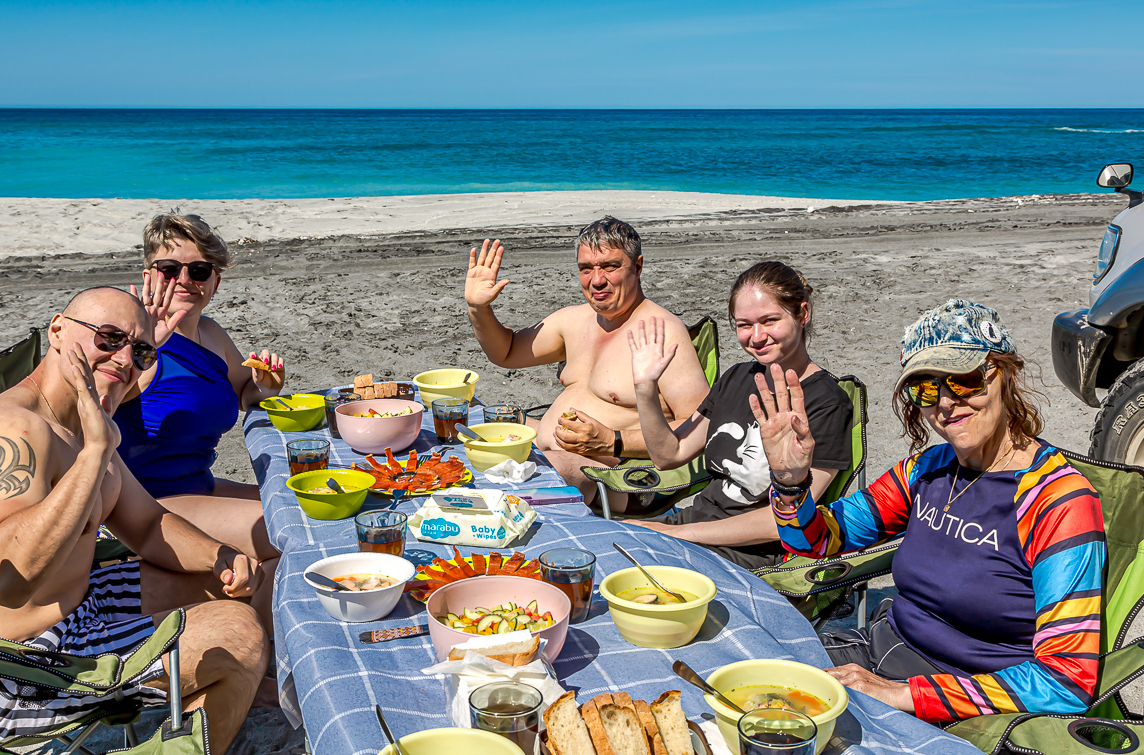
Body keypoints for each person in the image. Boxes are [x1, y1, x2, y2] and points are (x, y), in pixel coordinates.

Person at [0, 287, 269, 755]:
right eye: (109, 338)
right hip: (14, 667)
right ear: (58, 329)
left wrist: (222, 558)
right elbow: (6, 581)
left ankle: (206, 706)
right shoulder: (15, 433)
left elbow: (147, 525)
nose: (124, 359)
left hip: (82, 608)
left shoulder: (80, 419)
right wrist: (95, 454)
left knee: (238, 585)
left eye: (140, 350)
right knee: (239, 635)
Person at [756, 299, 1106, 722]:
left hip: (965, 703)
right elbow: (815, 542)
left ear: (1004, 373)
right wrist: (791, 482)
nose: (945, 403)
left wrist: (905, 695)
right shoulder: (927, 470)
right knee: (741, 686)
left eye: (964, 380)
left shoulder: (1057, 501)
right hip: (877, 651)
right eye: (924, 389)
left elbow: (1066, 681)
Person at [464, 217, 710, 506]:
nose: (596, 280)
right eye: (586, 269)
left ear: (638, 267)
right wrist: (479, 308)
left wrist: (612, 440)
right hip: (547, 452)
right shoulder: (574, 320)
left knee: (509, 483)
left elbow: (702, 427)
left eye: (610, 266)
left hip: (618, 478)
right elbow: (505, 352)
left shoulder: (661, 332)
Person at [623, 262, 853, 570]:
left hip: (753, 554)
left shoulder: (827, 403)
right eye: (744, 325)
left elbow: (786, 521)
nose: (756, 337)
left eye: (770, 320)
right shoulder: (737, 378)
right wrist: (645, 388)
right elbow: (669, 454)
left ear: (802, 314)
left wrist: (678, 534)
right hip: (696, 525)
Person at [114, 213, 282, 628]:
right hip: (145, 501)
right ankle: (266, 666)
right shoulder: (130, 343)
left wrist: (266, 385)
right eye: (170, 269)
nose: (185, 279)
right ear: (150, 276)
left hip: (197, 484)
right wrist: (142, 346)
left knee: (298, 513)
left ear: (215, 281)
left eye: (199, 270)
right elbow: (92, 406)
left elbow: (245, 392)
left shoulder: (211, 333)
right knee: (282, 535)